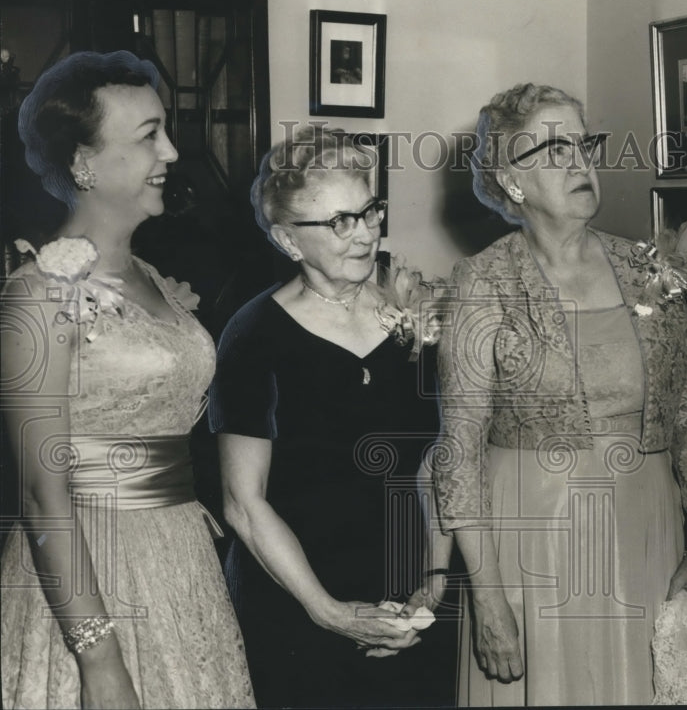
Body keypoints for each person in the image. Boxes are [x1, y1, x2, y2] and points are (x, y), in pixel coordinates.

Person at [433, 83, 687, 706]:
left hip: (645, 533)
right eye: (554, 149)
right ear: (511, 181)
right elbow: (459, 452)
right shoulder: (482, 281)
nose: (580, 162)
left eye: (583, 143)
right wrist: (488, 598)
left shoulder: (645, 268)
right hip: (533, 541)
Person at [0, 50, 254, 709]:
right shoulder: (39, 296)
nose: (171, 152)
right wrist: (100, 662)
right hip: (91, 580)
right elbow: (41, 496)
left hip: (180, 564)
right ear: (82, 162)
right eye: (148, 136)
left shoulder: (158, 280)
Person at [208, 125, 453, 709]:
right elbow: (244, 503)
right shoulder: (253, 335)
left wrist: (434, 582)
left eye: (369, 211)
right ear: (288, 241)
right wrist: (330, 613)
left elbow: (436, 457)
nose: (366, 233)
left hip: (408, 593)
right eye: (340, 221)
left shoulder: (412, 313)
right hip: (297, 600)